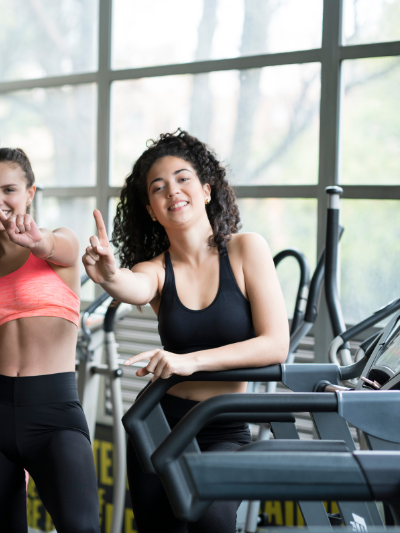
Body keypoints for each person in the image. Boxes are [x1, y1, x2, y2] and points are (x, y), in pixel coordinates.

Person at [82, 130, 289, 532]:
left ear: (207, 190)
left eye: (182, 179)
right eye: (158, 188)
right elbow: (132, 286)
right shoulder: (155, 269)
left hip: (223, 425)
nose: (172, 191)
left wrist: (188, 362)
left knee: (212, 521)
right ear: (152, 209)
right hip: (159, 422)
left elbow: (275, 344)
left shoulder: (247, 250)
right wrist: (108, 275)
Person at [0, 148, 101, 533]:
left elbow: (54, 246)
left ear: (30, 192)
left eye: (9, 189)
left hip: (54, 413)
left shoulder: (60, 249)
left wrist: (36, 241)